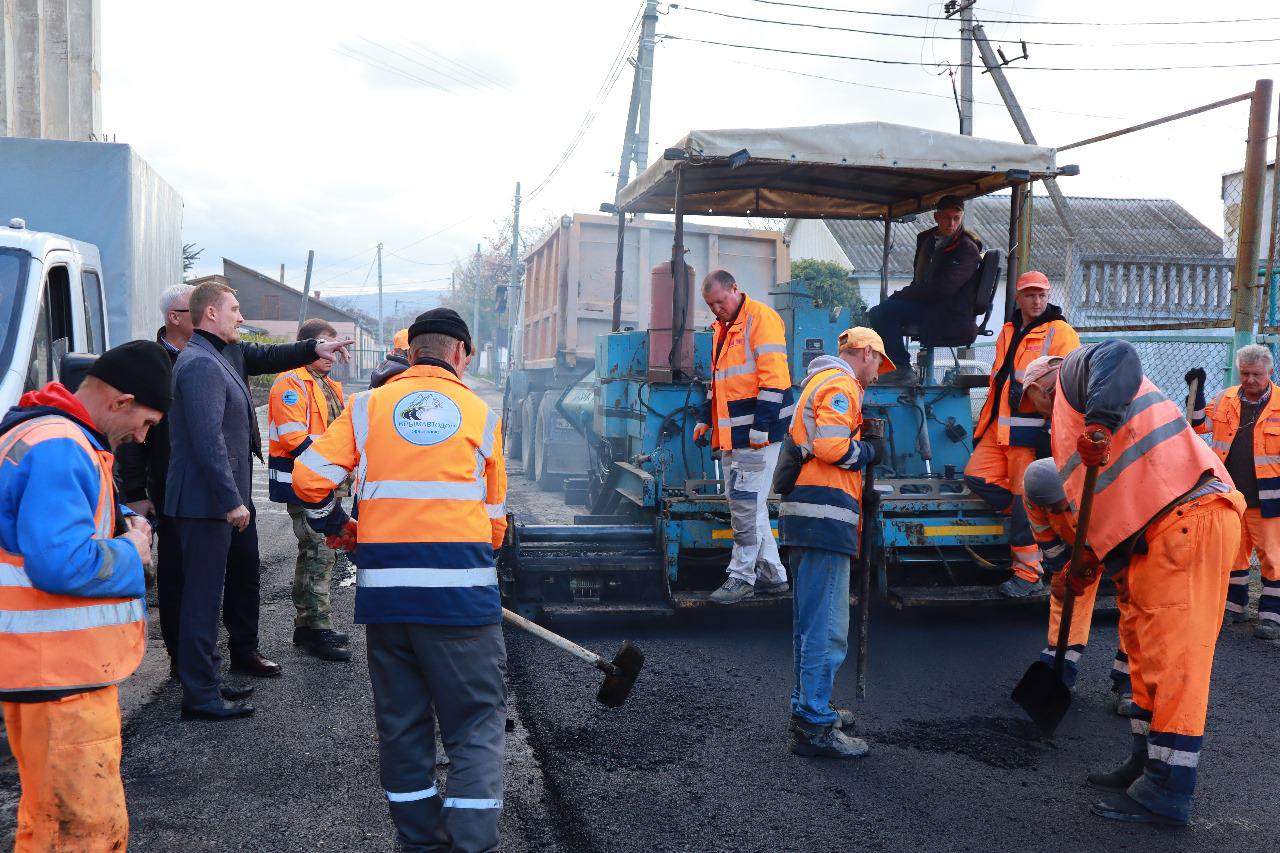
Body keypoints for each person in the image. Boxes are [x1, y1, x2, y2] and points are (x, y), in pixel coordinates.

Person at [293, 308, 508, 853]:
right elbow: (496, 526)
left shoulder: (368, 407)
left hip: (387, 599)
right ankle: (471, 843)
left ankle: (419, 842)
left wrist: (340, 528)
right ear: (459, 354)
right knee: (474, 724)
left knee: (403, 727)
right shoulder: (481, 414)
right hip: (461, 601)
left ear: (410, 352)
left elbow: (308, 479)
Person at [1021, 344, 1243, 826]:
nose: (1035, 413)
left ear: (1040, 385)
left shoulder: (1075, 376)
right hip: (1149, 540)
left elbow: (1119, 355)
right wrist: (1078, 564)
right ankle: (1147, 763)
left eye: (1030, 401)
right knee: (1143, 660)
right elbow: (1101, 505)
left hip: (1187, 517)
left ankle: (1169, 789)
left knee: (1175, 662)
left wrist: (1099, 420)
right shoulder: (1060, 451)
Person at [0, 341, 171, 850]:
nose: (140, 437)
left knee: (46, 824)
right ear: (120, 401)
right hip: (60, 676)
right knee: (84, 833)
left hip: (38, 670)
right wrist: (132, 550)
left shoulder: (39, 431)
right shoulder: (63, 447)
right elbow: (63, 563)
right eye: (145, 423)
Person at [166, 281, 353, 720]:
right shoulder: (198, 363)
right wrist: (232, 500)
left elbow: (272, 355)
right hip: (204, 502)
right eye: (235, 309)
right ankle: (200, 695)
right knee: (202, 599)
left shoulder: (223, 353)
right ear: (210, 313)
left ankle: (215, 676)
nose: (242, 317)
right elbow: (206, 441)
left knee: (233, 584)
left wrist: (317, 346)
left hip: (220, 499)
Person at [781, 327, 893, 759]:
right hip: (824, 519)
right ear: (864, 353)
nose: (879, 374)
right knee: (827, 629)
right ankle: (814, 725)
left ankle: (809, 706)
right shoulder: (842, 384)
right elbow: (830, 445)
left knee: (810, 625)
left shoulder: (818, 381)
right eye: (879, 363)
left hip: (809, 517)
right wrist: (867, 453)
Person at [965, 270, 1080, 597]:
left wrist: (1047, 424)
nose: (1037, 300)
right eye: (1030, 295)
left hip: (1029, 437)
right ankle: (1039, 512)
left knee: (1020, 499)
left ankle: (1028, 576)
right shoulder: (1008, 330)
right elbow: (1000, 379)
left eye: (1042, 294)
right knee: (975, 477)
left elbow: (1067, 384)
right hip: (1000, 429)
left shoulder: (1061, 332)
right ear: (1019, 298)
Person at [695, 269, 794, 605]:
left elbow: (775, 379)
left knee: (744, 502)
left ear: (735, 289)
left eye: (720, 302)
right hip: (734, 432)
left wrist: (761, 429)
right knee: (750, 503)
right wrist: (704, 420)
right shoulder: (722, 328)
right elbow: (719, 381)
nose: (716, 310)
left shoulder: (760, 319)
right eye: (710, 305)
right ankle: (773, 575)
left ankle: (741, 577)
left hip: (756, 433)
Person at [116, 283, 195, 675]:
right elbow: (133, 436)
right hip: (165, 487)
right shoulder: (151, 363)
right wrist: (135, 491)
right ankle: (181, 663)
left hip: (198, 490)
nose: (207, 314)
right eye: (196, 308)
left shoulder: (208, 353)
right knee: (175, 576)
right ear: (174, 317)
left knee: (202, 579)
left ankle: (201, 662)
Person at [267, 318, 352, 662]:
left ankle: (308, 625)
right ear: (306, 346)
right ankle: (318, 628)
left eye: (337, 347)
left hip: (323, 482)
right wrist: (329, 468)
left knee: (316, 552)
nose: (333, 354)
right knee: (319, 550)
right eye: (326, 347)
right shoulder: (290, 383)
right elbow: (294, 438)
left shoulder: (328, 384)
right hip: (305, 483)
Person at [1021, 457, 1132, 713]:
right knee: (1065, 596)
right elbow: (1046, 537)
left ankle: (1130, 682)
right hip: (1076, 550)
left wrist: (1104, 566)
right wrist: (1065, 572)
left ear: (1070, 487)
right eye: (1047, 507)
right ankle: (1059, 672)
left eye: (1057, 505)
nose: (1053, 511)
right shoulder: (1033, 497)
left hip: (1120, 547)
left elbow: (1126, 534)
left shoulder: (1102, 487)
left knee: (1133, 603)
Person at [1189, 344, 1280, 639]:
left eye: (1256, 374)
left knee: (1273, 558)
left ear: (1270, 372)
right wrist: (1196, 391)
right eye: (1244, 373)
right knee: (1233, 555)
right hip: (1231, 496)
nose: (1250, 379)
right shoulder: (1225, 399)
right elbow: (1196, 424)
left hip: (1270, 498)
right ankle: (1234, 607)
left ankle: (1271, 617)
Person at [868, 195, 983, 385]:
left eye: (956, 218)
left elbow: (942, 289)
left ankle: (901, 368)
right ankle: (891, 367)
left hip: (949, 312)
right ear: (937, 217)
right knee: (877, 312)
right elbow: (921, 281)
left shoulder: (966, 248)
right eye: (947, 217)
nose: (952, 223)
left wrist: (903, 295)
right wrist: (903, 296)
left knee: (885, 312)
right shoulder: (927, 241)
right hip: (930, 306)